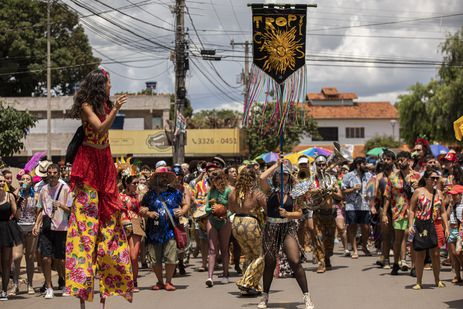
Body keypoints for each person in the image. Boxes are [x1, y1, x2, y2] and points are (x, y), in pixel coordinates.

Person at [65, 67, 133, 306]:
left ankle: (108, 288)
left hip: (105, 163)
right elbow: (100, 128)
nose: (111, 86)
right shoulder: (86, 104)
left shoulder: (105, 103)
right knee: (86, 229)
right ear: (99, 83)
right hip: (89, 165)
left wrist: (112, 107)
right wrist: (115, 108)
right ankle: (82, 288)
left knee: (109, 227)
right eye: (108, 82)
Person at [258, 160, 314, 309]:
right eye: (280, 175)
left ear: (289, 177)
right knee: (269, 262)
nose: (282, 177)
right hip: (271, 228)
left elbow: (301, 213)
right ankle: (265, 296)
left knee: (295, 261)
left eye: (285, 175)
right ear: (276, 177)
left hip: (287, 227)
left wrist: (288, 213)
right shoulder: (269, 191)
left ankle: (307, 297)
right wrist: (276, 165)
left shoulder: (295, 192)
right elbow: (261, 178)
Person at [140, 167, 188, 291]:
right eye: (161, 176)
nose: (164, 178)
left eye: (166, 176)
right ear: (156, 178)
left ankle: (169, 281)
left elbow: (185, 204)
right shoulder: (149, 195)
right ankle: (160, 282)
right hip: (154, 231)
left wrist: (182, 211)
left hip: (171, 230)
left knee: (171, 258)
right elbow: (141, 209)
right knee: (155, 259)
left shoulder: (175, 192)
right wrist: (149, 213)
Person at [33, 164, 72, 299]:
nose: (52, 175)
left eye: (54, 172)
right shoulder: (43, 189)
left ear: (59, 174)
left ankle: (65, 282)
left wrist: (61, 205)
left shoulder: (66, 189)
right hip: (47, 226)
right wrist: (36, 225)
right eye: (50, 173)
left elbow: (72, 211)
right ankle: (49, 287)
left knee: (61, 260)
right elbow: (40, 209)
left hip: (61, 227)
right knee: (45, 258)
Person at [408, 169, 449, 290]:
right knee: (420, 253)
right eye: (432, 178)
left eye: (437, 178)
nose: (435, 180)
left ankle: (437, 280)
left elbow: (443, 212)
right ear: (425, 179)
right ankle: (419, 282)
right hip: (421, 224)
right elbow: (411, 209)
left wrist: (446, 227)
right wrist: (411, 225)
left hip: (435, 225)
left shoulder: (439, 193)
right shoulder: (418, 192)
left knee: (436, 254)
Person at [228, 166, 266, 295]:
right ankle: (246, 281)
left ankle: (252, 286)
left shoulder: (233, 192)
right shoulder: (256, 192)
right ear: (253, 177)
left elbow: (231, 209)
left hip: (236, 223)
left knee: (249, 255)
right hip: (250, 223)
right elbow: (267, 209)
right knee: (260, 256)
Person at [383, 151, 421, 275]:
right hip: (398, 212)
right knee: (398, 240)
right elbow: (387, 196)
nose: (399, 162)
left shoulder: (417, 176)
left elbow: (424, 194)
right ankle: (395, 264)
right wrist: (384, 213)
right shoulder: (393, 177)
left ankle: (414, 267)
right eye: (398, 160)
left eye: (402, 160)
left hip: (414, 212)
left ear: (409, 161)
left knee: (412, 240)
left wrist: (417, 188)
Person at [310, 155, 341, 273]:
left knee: (330, 240)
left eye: (323, 164)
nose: (321, 167)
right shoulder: (312, 179)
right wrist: (318, 190)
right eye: (319, 164)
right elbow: (308, 192)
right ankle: (321, 262)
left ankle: (327, 256)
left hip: (330, 213)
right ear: (316, 165)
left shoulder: (331, 178)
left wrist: (331, 191)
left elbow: (340, 195)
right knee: (318, 238)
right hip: (317, 212)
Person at [205, 168, 233, 287]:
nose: (214, 182)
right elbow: (206, 207)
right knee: (212, 249)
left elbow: (232, 208)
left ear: (221, 179)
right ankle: (210, 277)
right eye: (212, 180)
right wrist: (211, 209)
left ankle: (226, 274)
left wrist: (225, 214)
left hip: (225, 221)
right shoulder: (211, 191)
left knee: (224, 248)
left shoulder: (228, 191)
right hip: (212, 220)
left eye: (216, 179)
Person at [10, 172, 37, 296]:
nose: (25, 181)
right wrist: (20, 189)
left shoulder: (35, 195)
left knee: (30, 258)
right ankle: (15, 285)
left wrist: (37, 225)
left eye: (28, 179)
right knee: (16, 257)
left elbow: (39, 211)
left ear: (31, 182)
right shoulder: (16, 194)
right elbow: (14, 211)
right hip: (18, 228)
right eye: (23, 179)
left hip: (31, 229)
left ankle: (30, 284)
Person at [342, 157, 374, 259]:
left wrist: (370, 195)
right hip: (351, 206)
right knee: (352, 228)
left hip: (365, 205)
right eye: (364, 164)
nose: (366, 165)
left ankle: (364, 246)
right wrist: (353, 189)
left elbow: (373, 188)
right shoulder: (348, 176)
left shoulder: (369, 175)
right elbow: (343, 190)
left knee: (366, 228)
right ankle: (355, 250)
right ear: (358, 165)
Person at [120, 175, 145, 292]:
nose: (136, 185)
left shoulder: (140, 196)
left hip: (136, 225)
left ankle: (134, 281)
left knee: (134, 256)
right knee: (125, 256)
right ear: (127, 184)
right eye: (134, 183)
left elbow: (144, 209)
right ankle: (126, 281)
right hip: (122, 226)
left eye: (137, 183)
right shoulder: (120, 196)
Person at [0, 174, 22, 301]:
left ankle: (4, 291)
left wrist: (18, 202)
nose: (2, 183)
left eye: (3, 181)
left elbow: (16, 215)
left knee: (6, 262)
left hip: (6, 230)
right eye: (0, 181)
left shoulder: (10, 196)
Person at [446, 185, 463, 284]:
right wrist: (450, 205)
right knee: (454, 254)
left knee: (458, 253)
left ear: (460, 195)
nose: (453, 197)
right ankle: (457, 276)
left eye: (455, 195)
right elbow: (447, 216)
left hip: (460, 230)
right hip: (452, 230)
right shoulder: (452, 204)